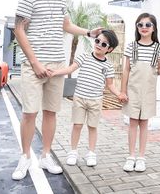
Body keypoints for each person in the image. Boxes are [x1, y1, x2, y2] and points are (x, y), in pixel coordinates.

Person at [12, 0, 102, 180]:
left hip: (57, 64)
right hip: (34, 65)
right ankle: (25, 157)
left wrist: (89, 32)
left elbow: (67, 25)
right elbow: (19, 29)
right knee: (30, 113)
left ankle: (45, 156)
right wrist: (35, 63)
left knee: (51, 112)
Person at [51, 30, 123, 166]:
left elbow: (110, 84)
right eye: (97, 41)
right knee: (77, 125)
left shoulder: (108, 65)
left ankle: (91, 153)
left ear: (110, 49)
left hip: (96, 101)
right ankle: (73, 152)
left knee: (92, 127)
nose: (99, 45)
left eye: (104, 44)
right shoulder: (84, 57)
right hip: (79, 98)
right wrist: (55, 72)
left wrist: (119, 94)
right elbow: (70, 69)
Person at [120, 13, 160, 172]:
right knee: (132, 124)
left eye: (147, 25)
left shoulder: (158, 48)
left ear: (154, 28)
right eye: (140, 25)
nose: (143, 27)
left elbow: (158, 70)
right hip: (132, 91)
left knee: (144, 124)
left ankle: (141, 157)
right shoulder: (132, 46)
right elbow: (126, 70)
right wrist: (123, 91)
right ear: (137, 27)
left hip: (148, 93)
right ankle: (130, 157)